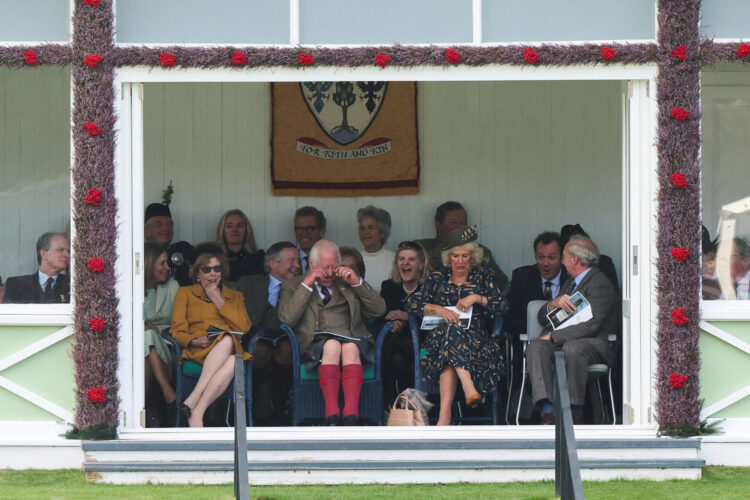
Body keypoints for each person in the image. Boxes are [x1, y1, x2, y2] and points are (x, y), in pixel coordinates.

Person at [278, 240, 386, 426]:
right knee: (332, 345)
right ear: (311, 264)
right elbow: (287, 319)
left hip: (353, 338)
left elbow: (379, 310)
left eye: (333, 266)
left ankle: (351, 415)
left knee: (350, 347)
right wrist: (307, 284)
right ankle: (332, 413)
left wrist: (357, 283)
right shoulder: (293, 286)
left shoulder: (346, 282)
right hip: (314, 344)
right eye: (324, 267)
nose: (329, 273)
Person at [407, 227, 508, 425]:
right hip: (438, 343)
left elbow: (502, 305)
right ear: (448, 257)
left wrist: (476, 298)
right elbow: (411, 303)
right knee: (450, 332)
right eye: (455, 256)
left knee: (451, 342)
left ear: (473, 257)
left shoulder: (483, 276)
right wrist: (437, 308)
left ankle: (444, 416)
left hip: (476, 344)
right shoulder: (437, 278)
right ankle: (468, 387)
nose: (460, 261)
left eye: (465, 256)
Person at [526, 235, 616, 425]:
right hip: (564, 341)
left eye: (564, 255)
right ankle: (548, 411)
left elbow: (591, 326)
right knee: (535, 347)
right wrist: (552, 304)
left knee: (573, 348)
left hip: (593, 344)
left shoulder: (599, 283)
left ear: (575, 259)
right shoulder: (571, 282)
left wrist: (552, 336)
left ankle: (574, 412)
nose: (562, 261)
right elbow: (543, 318)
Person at [170, 247, 253, 427]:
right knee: (233, 354)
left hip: (226, 348)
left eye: (217, 269)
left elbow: (244, 327)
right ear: (197, 273)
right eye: (206, 269)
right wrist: (193, 341)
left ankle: (196, 409)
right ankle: (196, 405)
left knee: (231, 350)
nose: (212, 273)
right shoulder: (185, 293)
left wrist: (219, 300)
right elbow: (177, 330)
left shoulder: (235, 296)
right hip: (200, 348)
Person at [228, 241, 300, 424]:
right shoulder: (249, 283)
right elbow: (241, 317)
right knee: (259, 349)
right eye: (291, 260)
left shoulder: (301, 287)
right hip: (256, 335)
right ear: (273, 263)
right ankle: (250, 407)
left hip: (287, 336)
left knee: (287, 349)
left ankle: (280, 408)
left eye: (298, 261)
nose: (297, 266)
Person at [505, 232, 569, 392]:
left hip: (566, 343)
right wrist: (535, 332)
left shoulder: (572, 277)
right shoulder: (522, 277)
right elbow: (510, 318)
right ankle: (542, 410)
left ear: (562, 257)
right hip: (530, 344)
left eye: (552, 257)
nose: (546, 263)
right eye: (541, 257)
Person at [379, 240, 431, 405]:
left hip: (425, 343)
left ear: (421, 264)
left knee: (401, 357)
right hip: (395, 345)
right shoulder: (389, 287)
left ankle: (403, 405)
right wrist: (392, 323)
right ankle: (393, 404)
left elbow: (435, 321)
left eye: (411, 259)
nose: (405, 263)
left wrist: (407, 316)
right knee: (394, 355)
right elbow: (382, 315)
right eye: (401, 259)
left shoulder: (430, 288)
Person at [415, 201, 509, 291]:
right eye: (453, 223)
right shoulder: (421, 248)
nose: (460, 227)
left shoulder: (479, 250)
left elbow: (501, 283)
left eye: (463, 223)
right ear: (438, 225)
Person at [142, 242, 179, 426]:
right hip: (138, 350)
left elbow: (179, 322)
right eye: (162, 263)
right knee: (145, 339)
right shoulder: (132, 288)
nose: (167, 268)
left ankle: (141, 407)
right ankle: (167, 393)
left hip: (167, 345)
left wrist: (156, 330)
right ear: (149, 264)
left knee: (148, 337)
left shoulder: (172, 287)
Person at [3, 232, 70, 304]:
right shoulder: (15, 285)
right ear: (43, 254)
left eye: (68, 251)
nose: (67, 255)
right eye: (60, 250)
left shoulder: (73, 284)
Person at [145, 202, 193, 286]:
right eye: (159, 224)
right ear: (147, 231)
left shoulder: (182, 251)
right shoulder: (140, 255)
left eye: (169, 224)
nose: (165, 228)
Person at [216, 209, 265, 281]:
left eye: (239, 226)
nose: (234, 230)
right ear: (222, 231)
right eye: (229, 226)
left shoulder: (259, 258)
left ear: (246, 230)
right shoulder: (213, 259)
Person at [356, 205, 395, 293]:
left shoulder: (395, 260)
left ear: (382, 232)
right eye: (362, 228)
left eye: (371, 227)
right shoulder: (354, 259)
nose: (365, 232)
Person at [294, 206, 326, 274]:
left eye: (309, 228)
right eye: (299, 228)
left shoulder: (332, 259)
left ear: (322, 231)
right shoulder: (288, 261)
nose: (304, 233)